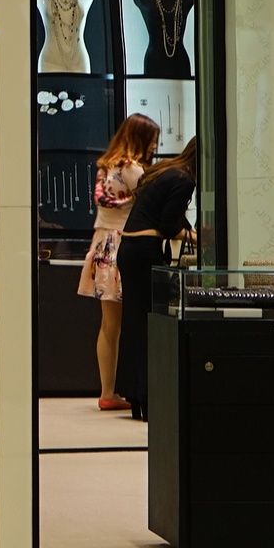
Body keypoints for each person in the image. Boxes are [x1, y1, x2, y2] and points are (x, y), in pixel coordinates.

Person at [79, 115, 161, 411]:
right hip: (126, 242)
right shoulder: (133, 169)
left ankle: (107, 390)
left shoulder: (106, 167)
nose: (154, 146)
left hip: (102, 245)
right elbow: (152, 199)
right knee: (133, 322)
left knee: (109, 324)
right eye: (152, 139)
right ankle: (123, 389)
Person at [114, 134, 197, 423]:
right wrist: (201, 239)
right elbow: (168, 225)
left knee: (134, 323)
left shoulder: (165, 170)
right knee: (153, 323)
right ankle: (147, 393)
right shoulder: (185, 180)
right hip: (146, 251)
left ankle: (135, 394)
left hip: (129, 249)